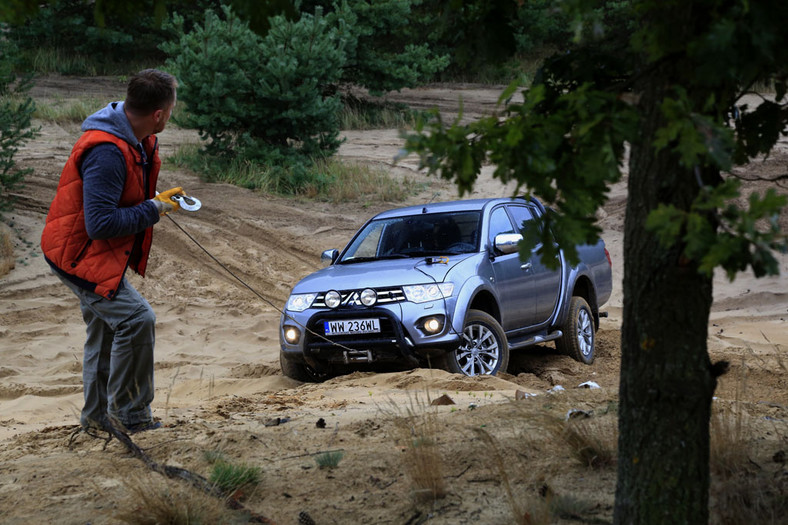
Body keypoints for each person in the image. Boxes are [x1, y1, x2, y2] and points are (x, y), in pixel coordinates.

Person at [41, 69, 184, 434]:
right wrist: (155, 209)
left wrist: (155, 202)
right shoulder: (106, 151)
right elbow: (100, 224)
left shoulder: (137, 138)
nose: (172, 113)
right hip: (79, 255)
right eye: (172, 107)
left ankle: (97, 419)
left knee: (107, 328)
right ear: (159, 113)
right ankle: (131, 417)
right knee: (137, 320)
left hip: (92, 251)